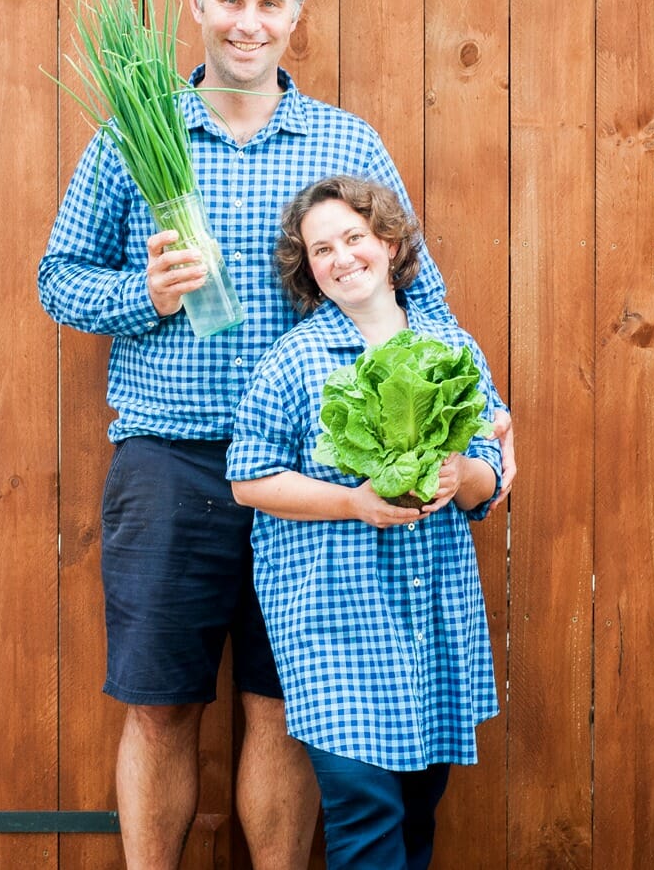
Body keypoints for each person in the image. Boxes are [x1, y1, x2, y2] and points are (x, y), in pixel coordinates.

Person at [37, 0, 514, 868]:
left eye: (268, 4)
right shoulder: (139, 133)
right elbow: (58, 279)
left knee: (287, 705)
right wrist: (149, 292)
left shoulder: (346, 140)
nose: (247, 23)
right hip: (172, 461)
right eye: (229, 0)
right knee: (162, 704)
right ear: (197, 8)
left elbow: (418, 291)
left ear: (296, 17)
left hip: (317, 481)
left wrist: (479, 415)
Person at [226, 176, 501, 870]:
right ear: (307, 268)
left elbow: (490, 474)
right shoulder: (294, 360)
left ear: (390, 241)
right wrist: (354, 501)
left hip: (431, 623)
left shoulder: (450, 346)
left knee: (414, 816)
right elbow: (248, 477)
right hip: (335, 623)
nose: (342, 257)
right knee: (365, 817)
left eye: (354, 237)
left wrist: (459, 474)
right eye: (322, 249)